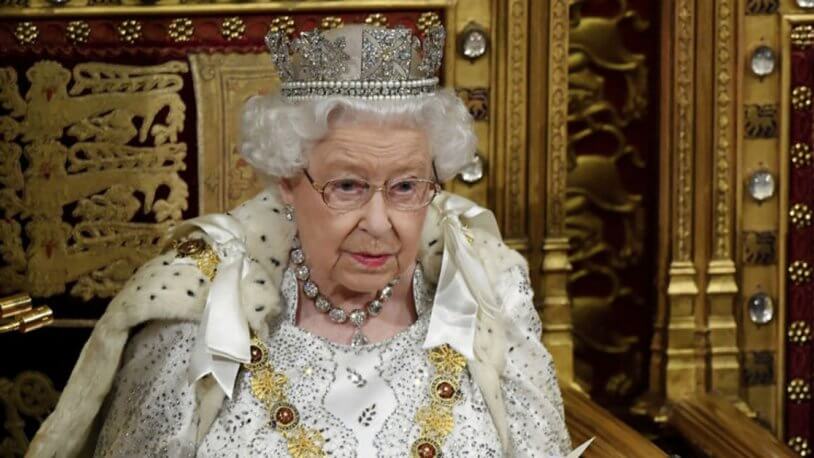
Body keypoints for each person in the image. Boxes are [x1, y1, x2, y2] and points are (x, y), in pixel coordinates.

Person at [28, 24, 579, 457]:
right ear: (289, 181)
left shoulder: (487, 294)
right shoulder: (195, 310)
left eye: (407, 187)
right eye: (348, 186)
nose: (379, 222)